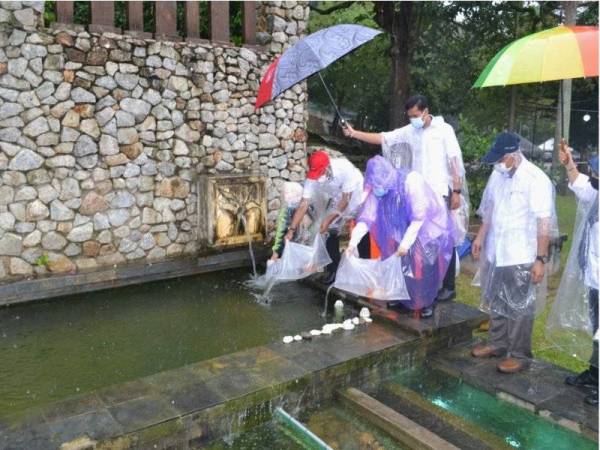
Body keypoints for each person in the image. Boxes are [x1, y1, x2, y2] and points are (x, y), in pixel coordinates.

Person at [342, 94, 467, 302]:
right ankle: (425, 284)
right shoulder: (411, 131)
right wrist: (355, 134)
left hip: (439, 193)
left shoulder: (444, 130)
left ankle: (448, 286)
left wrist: (457, 191)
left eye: (415, 115)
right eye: (409, 116)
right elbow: (384, 137)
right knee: (419, 242)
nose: (412, 120)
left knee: (443, 238)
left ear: (426, 112)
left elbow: (455, 161)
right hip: (417, 193)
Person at [471, 132, 558, 374]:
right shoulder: (498, 174)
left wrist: (540, 259)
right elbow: (490, 209)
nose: (497, 164)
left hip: (521, 253)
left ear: (512, 156)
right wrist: (480, 236)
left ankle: (519, 354)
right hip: (498, 250)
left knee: (519, 306)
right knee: (497, 300)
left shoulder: (535, 179)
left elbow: (544, 222)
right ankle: (497, 343)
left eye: (501, 159)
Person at [346, 155, 454, 318]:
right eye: (374, 185)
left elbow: (419, 216)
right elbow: (367, 218)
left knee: (425, 262)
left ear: (387, 177)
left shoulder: (411, 181)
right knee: (402, 262)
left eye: (379, 185)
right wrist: (352, 244)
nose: (377, 188)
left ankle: (427, 302)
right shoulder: (377, 189)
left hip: (429, 225)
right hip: (403, 226)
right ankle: (404, 300)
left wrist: (405, 244)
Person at [550, 141, 598, 406]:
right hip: (594, 280)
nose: (594, 177)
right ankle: (595, 374)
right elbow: (581, 185)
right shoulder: (597, 194)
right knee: (598, 330)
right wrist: (569, 163)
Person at [285, 150, 369, 283]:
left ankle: (366, 266)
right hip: (338, 197)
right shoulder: (312, 178)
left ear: (327, 166)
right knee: (330, 231)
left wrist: (328, 218)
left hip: (356, 195)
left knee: (362, 225)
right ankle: (333, 271)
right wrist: (291, 229)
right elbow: (303, 204)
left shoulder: (344, 168)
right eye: (316, 174)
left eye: (320, 173)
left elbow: (346, 199)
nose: (318, 177)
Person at [270, 182, 315, 261]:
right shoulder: (289, 210)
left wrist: (275, 254)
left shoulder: (307, 209)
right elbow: (281, 231)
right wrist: (276, 252)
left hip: (305, 246)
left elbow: (280, 232)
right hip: (302, 247)